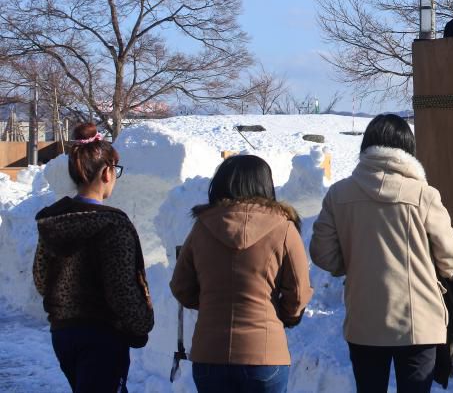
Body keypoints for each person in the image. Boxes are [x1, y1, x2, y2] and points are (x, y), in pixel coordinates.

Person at [310, 114, 453, 393]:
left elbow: (321, 253)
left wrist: (352, 263)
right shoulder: (424, 195)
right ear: (408, 148)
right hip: (420, 322)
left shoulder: (338, 194)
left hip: (364, 319)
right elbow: (450, 257)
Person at [170, 154, 313, 393]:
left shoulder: (202, 227)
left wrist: (209, 304)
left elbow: (181, 287)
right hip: (265, 354)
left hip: (209, 353)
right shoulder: (284, 228)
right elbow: (297, 294)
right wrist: (285, 317)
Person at [33, 122, 154, 392]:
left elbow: (42, 278)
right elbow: (123, 287)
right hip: (104, 334)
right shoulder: (112, 225)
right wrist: (140, 325)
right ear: (107, 172)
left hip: (63, 333)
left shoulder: (54, 221)